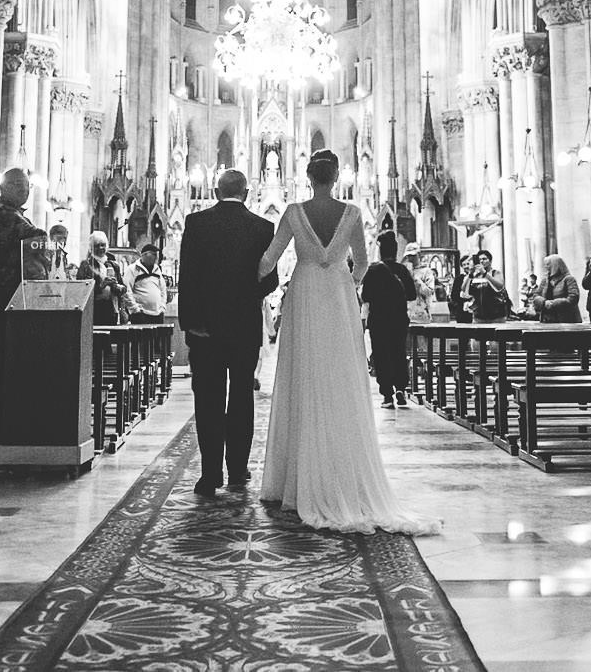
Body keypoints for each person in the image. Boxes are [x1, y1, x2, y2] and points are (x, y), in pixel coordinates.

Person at [257, 149, 439, 534]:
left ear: (308, 178)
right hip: (337, 296)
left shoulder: (292, 212)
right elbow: (361, 261)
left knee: (302, 376)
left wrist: (252, 280)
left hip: (303, 292)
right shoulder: (354, 213)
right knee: (340, 378)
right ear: (336, 177)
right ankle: (341, 470)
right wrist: (342, 281)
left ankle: (297, 477)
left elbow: (268, 260)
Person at [178, 168, 279, 497]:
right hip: (244, 328)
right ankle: (237, 470)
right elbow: (271, 280)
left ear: (216, 191)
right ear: (247, 194)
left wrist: (191, 322)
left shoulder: (196, 224)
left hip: (205, 329)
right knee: (240, 398)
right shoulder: (262, 227)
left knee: (208, 399)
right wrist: (247, 298)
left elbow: (188, 278)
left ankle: (209, 476)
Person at [359, 229, 419, 408]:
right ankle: (401, 388)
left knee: (382, 354)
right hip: (399, 319)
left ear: (380, 250)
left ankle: (387, 395)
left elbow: (366, 296)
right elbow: (411, 294)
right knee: (398, 352)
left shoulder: (373, 270)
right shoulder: (402, 270)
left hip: (379, 320)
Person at [0, 167, 38, 335]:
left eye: (28, 185)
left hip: (14, 297)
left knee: (13, 357)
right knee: (13, 356)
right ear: (3, 187)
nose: (25, 190)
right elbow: (37, 236)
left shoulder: (13, 213)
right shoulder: (2, 213)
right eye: (19, 184)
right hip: (7, 298)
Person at [75, 229, 130, 325]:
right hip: (94, 309)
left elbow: (123, 288)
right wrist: (101, 285)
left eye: (103, 245)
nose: (100, 248)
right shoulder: (86, 265)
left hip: (112, 308)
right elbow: (81, 291)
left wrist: (117, 287)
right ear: (91, 247)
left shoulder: (113, 265)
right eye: (97, 245)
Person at [460, 249, 512, 322]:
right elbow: (463, 291)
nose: (481, 261)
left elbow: (499, 286)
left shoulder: (496, 273)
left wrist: (485, 274)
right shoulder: (475, 276)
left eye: (484, 259)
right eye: (480, 259)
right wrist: (470, 274)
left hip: (496, 317)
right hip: (478, 317)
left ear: (490, 261)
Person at [128, 241, 169, 323]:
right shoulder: (133, 269)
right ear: (144, 255)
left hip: (157, 314)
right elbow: (127, 290)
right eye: (153, 254)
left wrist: (162, 307)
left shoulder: (157, 270)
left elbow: (163, 289)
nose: (156, 257)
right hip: (141, 314)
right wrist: (135, 309)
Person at [535, 254, 582, 323]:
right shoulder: (545, 281)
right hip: (547, 320)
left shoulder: (569, 279)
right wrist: (544, 302)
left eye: (548, 264)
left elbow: (573, 298)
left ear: (555, 265)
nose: (546, 267)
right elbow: (536, 295)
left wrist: (553, 304)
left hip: (566, 320)